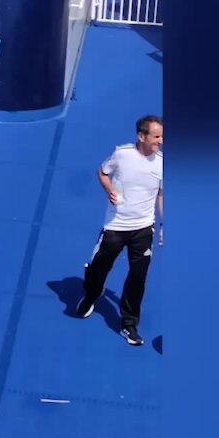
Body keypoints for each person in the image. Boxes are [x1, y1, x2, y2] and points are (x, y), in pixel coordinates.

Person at [75, 115, 163, 346]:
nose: (160, 141)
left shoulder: (162, 163)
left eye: (162, 136)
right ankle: (92, 295)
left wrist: (164, 224)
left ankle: (129, 324)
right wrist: (109, 190)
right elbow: (102, 173)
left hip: (144, 228)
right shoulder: (122, 155)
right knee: (97, 269)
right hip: (115, 226)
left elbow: (162, 195)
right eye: (156, 136)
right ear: (141, 136)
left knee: (138, 276)